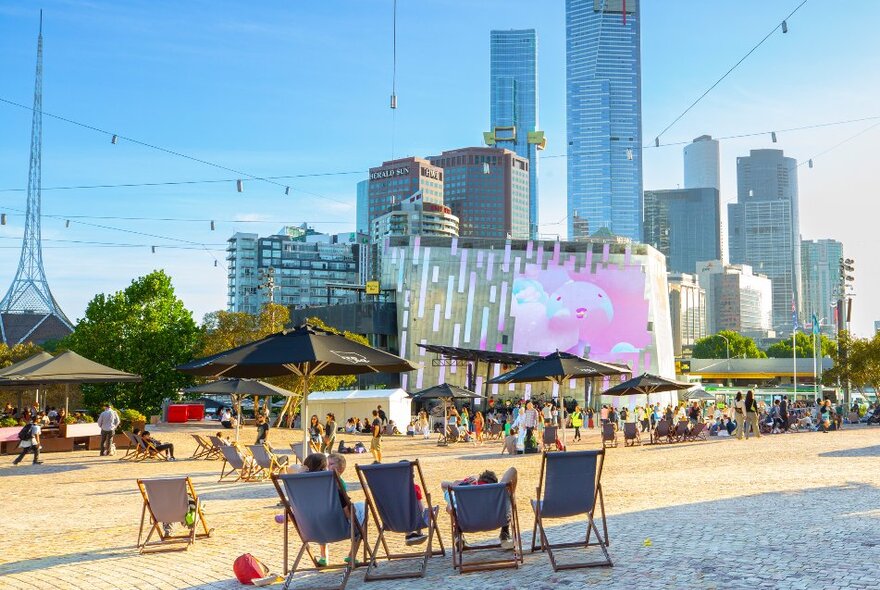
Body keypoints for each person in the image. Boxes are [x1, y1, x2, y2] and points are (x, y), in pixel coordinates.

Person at [441, 467, 518, 550]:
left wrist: (460, 483)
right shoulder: (499, 492)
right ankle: (505, 533)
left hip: (468, 524)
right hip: (496, 521)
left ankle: (458, 534)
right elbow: (513, 470)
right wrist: (505, 490)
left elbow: (443, 484)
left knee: (451, 506)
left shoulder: (463, 491)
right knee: (510, 498)